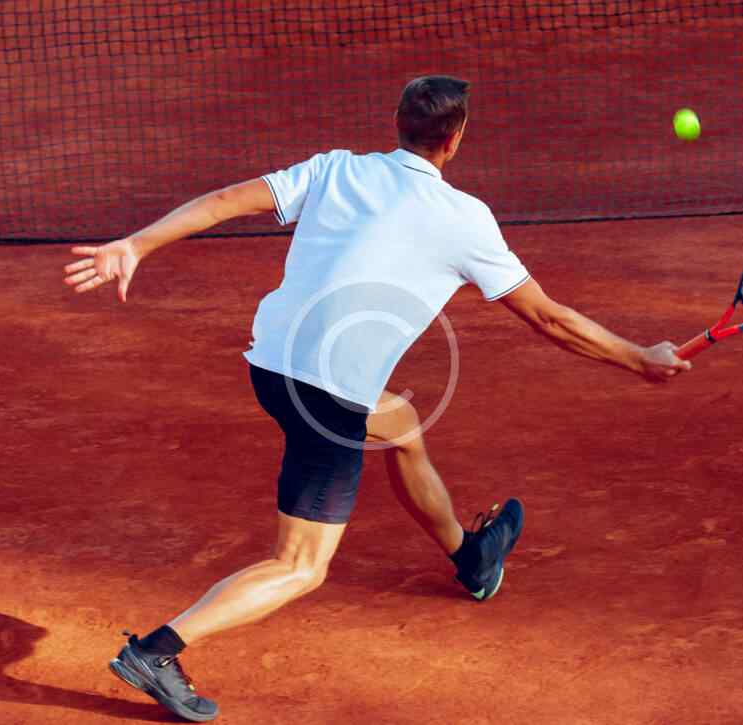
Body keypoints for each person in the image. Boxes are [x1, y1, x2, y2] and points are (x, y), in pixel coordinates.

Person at [62, 75, 691, 722]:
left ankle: (472, 557)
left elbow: (225, 201)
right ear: (455, 140)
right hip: (327, 399)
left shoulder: (334, 169)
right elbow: (549, 318)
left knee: (402, 423)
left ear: (398, 123)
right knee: (300, 566)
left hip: (271, 366)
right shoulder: (466, 219)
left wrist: (135, 243)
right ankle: (156, 651)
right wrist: (638, 357)